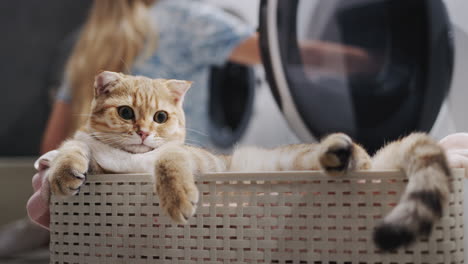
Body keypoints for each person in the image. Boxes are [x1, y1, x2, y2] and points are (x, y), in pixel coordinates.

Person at [0, 0, 260, 258]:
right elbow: (281, 59)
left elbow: (52, 144)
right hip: (165, 202)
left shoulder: (88, 40)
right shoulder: (188, 18)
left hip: (91, 209)